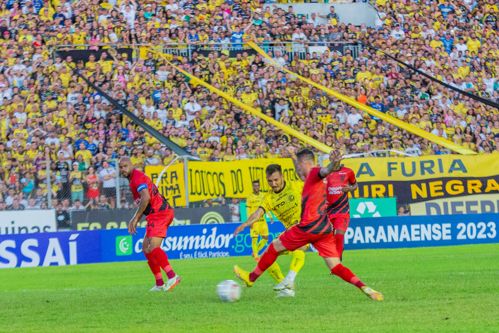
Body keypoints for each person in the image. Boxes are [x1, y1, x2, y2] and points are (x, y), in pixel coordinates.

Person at [234, 149, 383, 301]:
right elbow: (322, 171)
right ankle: (365, 287)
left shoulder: (314, 173)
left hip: (307, 226)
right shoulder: (317, 178)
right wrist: (334, 162)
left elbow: (325, 170)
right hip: (324, 228)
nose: (298, 170)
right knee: (336, 266)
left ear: (305, 163)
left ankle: (253, 278)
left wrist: (333, 163)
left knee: (274, 247)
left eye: (299, 166)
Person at [234, 164, 306, 297]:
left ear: (282, 176)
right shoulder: (269, 198)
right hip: (291, 230)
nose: (273, 184)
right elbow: (258, 213)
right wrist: (245, 224)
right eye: (270, 181)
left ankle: (287, 281)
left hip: (306, 225)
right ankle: (286, 288)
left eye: (276, 180)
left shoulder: (295, 186)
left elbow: (315, 188)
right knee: (267, 255)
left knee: (299, 247)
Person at [119, 157, 181, 292]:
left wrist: (135, 218)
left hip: (161, 213)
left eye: (125, 166)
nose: (122, 169)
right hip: (154, 215)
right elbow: (145, 201)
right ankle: (159, 283)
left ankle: (172, 276)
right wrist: (136, 218)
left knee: (153, 247)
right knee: (146, 248)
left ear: (131, 165)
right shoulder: (133, 180)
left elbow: (146, 197)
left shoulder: (137, 177)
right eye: (121, 167)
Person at [325, 161, 357, 260]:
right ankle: (337, 251)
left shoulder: (348, 172)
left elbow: (355, 185)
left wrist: (350, 188)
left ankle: (337, 262)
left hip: (342, 209)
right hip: (328, 210)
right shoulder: (324, 173)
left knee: (339, 235)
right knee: (329, 238)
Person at [245, 180, 269, 260]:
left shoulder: (263, 195)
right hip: (254, 221)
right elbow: (248, 211)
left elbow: (266, 207)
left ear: (259, 186)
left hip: (262, 220)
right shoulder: (249, 197)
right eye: (254, 186)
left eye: (257, 186)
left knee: (266, 238)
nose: (256, 187)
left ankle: (255, 251)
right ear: (253, 187)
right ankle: (256, 255)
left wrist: (270, 216)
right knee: (254, 238)